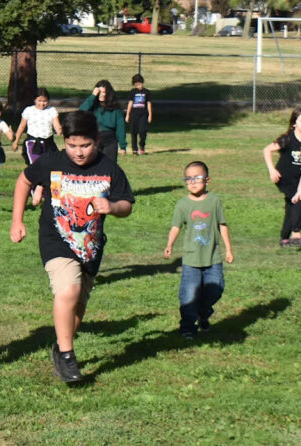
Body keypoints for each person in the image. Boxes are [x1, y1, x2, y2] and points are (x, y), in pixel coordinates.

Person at [10, 110, 134, 383]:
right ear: (64, 140)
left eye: (85, 145)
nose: (78, 152)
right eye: (72, 145)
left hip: (91, 245)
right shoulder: (51, 162)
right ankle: (67, 356)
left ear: (97, 140)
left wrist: (112, 207)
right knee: (69, 290)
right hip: (56, 239)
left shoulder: (108, 167)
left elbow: (127, 204)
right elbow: (23, 181)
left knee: (78, 304)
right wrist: (17, 220)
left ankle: (60, 347)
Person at [163, 161, 234, 338]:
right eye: (188, 179)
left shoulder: (214, 201)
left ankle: (203, 312)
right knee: (189, 294)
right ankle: (187, 326)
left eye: (197, 178)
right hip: (191, 259)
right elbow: (175, 227)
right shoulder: (182, 204)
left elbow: (222, 225)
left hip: (213, 258)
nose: (193, 182)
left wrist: (228, 250)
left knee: (216, 288)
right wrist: (169, 245)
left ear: (207, 180)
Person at [263, 108, 301, 248]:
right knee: (300, 199)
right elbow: (267, 150)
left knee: (291, 205)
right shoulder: (287, 138)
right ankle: (296, 233)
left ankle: (284, 238)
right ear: (294, 124)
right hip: (283, 177)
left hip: (299, 179)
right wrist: (271, 170)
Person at [80, 79, 127, 161]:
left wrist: (122, 145)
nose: (101, 95)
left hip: (110, 139)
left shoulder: (115, 109)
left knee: (109, 165)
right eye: (99, 92)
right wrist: (93, 96)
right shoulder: (92, 106)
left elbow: (120, 127)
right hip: (94, 137)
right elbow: (81, 111)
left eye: (103, 92)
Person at [12, 87, 62, 165]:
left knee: (54, 165)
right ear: (35, 100)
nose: (42, 104)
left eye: (44, 101)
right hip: (33, 143)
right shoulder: (28, 110)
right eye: (39, 101)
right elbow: (21, 127)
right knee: (36, 166)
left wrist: (60, 131)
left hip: (48, 142)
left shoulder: (51, 110)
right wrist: (16, 141)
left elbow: (57, 125)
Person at [125, 73, 152, 155]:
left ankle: (142, 145)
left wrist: (150, 115)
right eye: (136, 85)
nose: (138, 86)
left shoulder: (147, 92)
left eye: (139, 84)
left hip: (143, 114)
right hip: (134, 114)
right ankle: (134, 149)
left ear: (142, 82)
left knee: (142, 131)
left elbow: (149, 104)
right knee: (133, 132)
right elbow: (130, 103)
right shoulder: (133, 92)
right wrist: (127, 114)